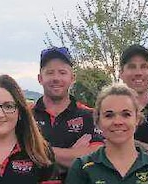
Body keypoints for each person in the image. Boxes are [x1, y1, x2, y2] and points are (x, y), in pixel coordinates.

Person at [62, 83, 148, 184]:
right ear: (98, 121)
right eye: (109, 115)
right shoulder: (82, 167)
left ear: (137, 119)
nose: (118, 121)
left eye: (126, 114)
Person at [32, 47, 102, 175]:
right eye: (50, 72)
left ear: (72, 78)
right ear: (40, 78)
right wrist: (72, 155)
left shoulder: (91, 116)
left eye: (62, 72)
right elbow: (18, 158)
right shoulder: (25, 116)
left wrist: (36, 151)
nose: (56, 78)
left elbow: (95, 158)